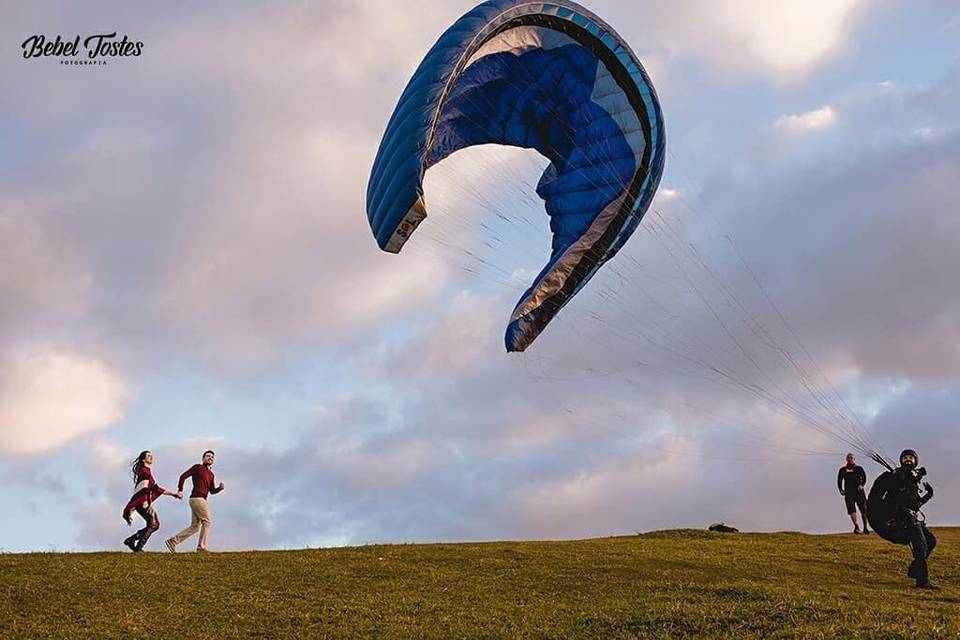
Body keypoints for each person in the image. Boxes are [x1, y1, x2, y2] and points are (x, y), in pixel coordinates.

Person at [867, 449, 937, 589]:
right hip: (901, 516)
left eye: (911, 458)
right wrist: (883, 517)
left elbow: (915, 504)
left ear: (915, 461)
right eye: (905, 457)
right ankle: (922, 581)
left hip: (911, 515)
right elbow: (877, 495)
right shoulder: (895, 475)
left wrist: (929, 494)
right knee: (920, 543)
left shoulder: (912, 482)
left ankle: (914, 570)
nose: (908, 459)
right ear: (901, 461)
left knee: (931, 540)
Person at [165, 450, 224, 552]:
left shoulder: (211, 474)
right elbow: (183, 476)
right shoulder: (198, 467)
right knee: (207, 521)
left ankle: (173, 541)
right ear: (203, 458)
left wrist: (219, 488)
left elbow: (212, 491)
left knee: (195, 527)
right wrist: (180, 490)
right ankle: (201, 547)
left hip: (199, 500)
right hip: (197, 499)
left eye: (212, 457)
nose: (210, 458)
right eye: (208, 456)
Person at [122, 450, 181, 552]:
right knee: (153, 524)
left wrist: (173, 494)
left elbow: (156, 488)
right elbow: (144, 488)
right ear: (143, 459)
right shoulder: (144, 471)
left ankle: (131, 541)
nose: (151, 457)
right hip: (142, 503)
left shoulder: (147, 472)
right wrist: (146, 503)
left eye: (151, 456)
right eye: (148, 456)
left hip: (142, 502)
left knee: (154, 524)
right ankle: (137, 547)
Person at [837, 453, 869, 534]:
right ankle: (856, 527)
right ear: (846, 459)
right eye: (848, 457)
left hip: (859, 492)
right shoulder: (843, 470)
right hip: (849, 493)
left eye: (851, 457)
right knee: (851, 510)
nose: (850, 459)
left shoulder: (859, 468)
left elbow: (864, 477)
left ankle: (865, 527)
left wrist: (862, 485)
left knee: (864, 510)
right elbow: (839, 480)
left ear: (854, 459)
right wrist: (841, 490)